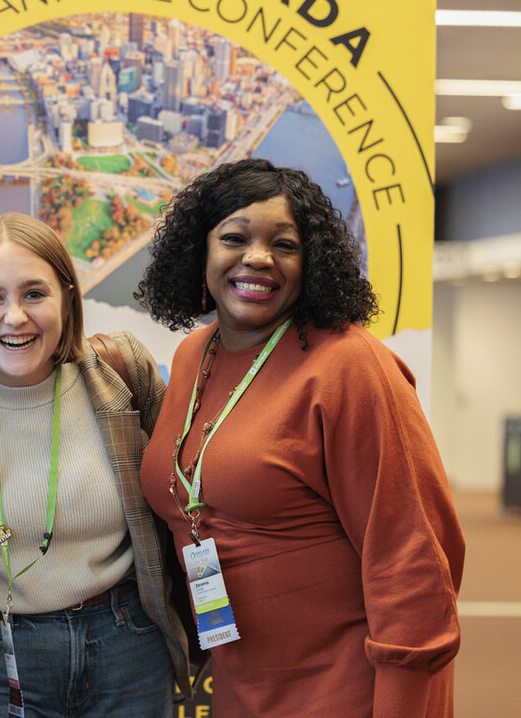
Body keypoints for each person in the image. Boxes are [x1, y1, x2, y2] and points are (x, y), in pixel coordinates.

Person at [136, 158, 464, 718]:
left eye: (284, 245)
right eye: (234, 238)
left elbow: (411, 558)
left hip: (344, 689)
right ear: (199, 250)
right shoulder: (194, 356)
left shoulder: (350, 366)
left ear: (311, 262)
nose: (259, 258)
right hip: (239, 685)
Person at [0, 213, 194, 718]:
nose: (15, 317)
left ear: (67, 298)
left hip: (126, 644)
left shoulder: (122, 372)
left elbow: (182, 495)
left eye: (34, 294)